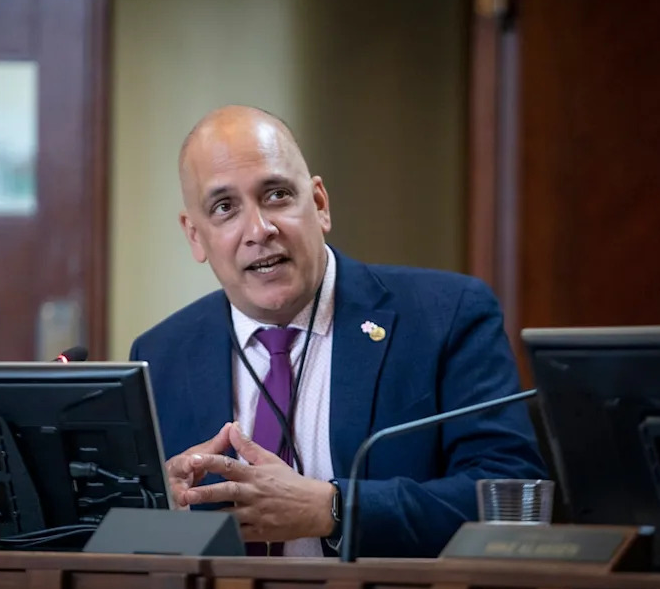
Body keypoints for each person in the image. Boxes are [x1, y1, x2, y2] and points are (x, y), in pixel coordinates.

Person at [130, 105, 546, 557]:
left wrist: (334, 508)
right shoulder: (160, 355)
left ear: (320, 204)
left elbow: (512, 495)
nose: (259, 229)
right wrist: (155, 510)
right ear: (195, 235)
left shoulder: (444, 317)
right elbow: (125, 538)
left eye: (276, 195)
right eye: (225, 207)